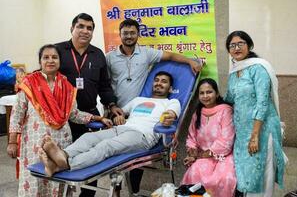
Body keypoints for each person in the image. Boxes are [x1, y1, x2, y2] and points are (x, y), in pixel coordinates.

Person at [106, 18, 203, 195]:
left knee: (131, 157)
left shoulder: (146, 53)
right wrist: (112, 109)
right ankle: (118, 190)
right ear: (119, 35)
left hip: (142, 119)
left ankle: (133, 191)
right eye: (125, 33)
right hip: (118, 110)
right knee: (113, 157)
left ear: (138, 34)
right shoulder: (110, 58)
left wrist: (190, 62)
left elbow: (172, 56)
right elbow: (104, 84)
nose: (128, 36)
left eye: (132, 32)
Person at [6, 44, 112, 197]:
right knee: (35, 180)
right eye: (46, 57)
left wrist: (97, 117)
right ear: (40, 61)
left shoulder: (66, 86)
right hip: (34, 144)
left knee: (58, 181)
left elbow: (74, 114)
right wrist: (12, 141)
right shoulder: (29, 83)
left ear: (59, 61)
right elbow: (17, 114)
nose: (50, 60)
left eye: (54, 57)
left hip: (61, 142)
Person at [39, 71, 181, 179]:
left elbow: (171, 114)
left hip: (142, 136)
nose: (159, 83)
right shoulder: (138, 99)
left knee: (106, 146)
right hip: (120, 129)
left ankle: (68, 164)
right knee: (88, 137)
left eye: (164, 82)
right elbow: (119, 113)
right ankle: (61, 157)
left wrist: (168, 118)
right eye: (156, 80)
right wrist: (117, 117)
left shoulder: (171, 102)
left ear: (170, 88)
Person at [56, 13, 122, 196]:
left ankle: (87, 194)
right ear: (72, 28)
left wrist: (111, 104)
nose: (85, 31)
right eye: (81, 26)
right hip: (62, 120)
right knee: (62, 159)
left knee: (91, 162)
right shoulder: (58, 51)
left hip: (90, 118)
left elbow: (104, 85)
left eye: (89, 28)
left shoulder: (98, 54)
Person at [224, 30, 286, 196]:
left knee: (262, 175)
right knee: (246, 174)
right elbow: (229, 98)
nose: (236, 48)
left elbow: (262, 102)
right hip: (243, 132)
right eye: (232, 45)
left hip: (262, 130)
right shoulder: (233, 73)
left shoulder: (259, 68)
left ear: (249, 45)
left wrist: (255, 136)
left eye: (240, 43)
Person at [181, 78, 236, 197]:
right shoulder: (198, 112)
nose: (205, 96)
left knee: (225, 179)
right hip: (203, 157)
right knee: (194, 172)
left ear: (216, 94)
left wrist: (200, 155)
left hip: (223, 157)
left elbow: (226, 141)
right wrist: (192, 154)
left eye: (209, 92)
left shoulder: (225, 111)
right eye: (202, 93)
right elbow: (191, 137)